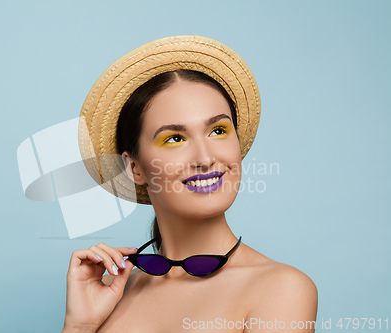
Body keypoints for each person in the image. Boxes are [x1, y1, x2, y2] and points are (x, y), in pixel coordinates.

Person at [62, 36, 318, 333]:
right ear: (134, 167)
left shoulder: (281, 289)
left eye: (218, 130)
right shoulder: (107, 290)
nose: (206, 157)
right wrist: (79, 326)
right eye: (174, 138)